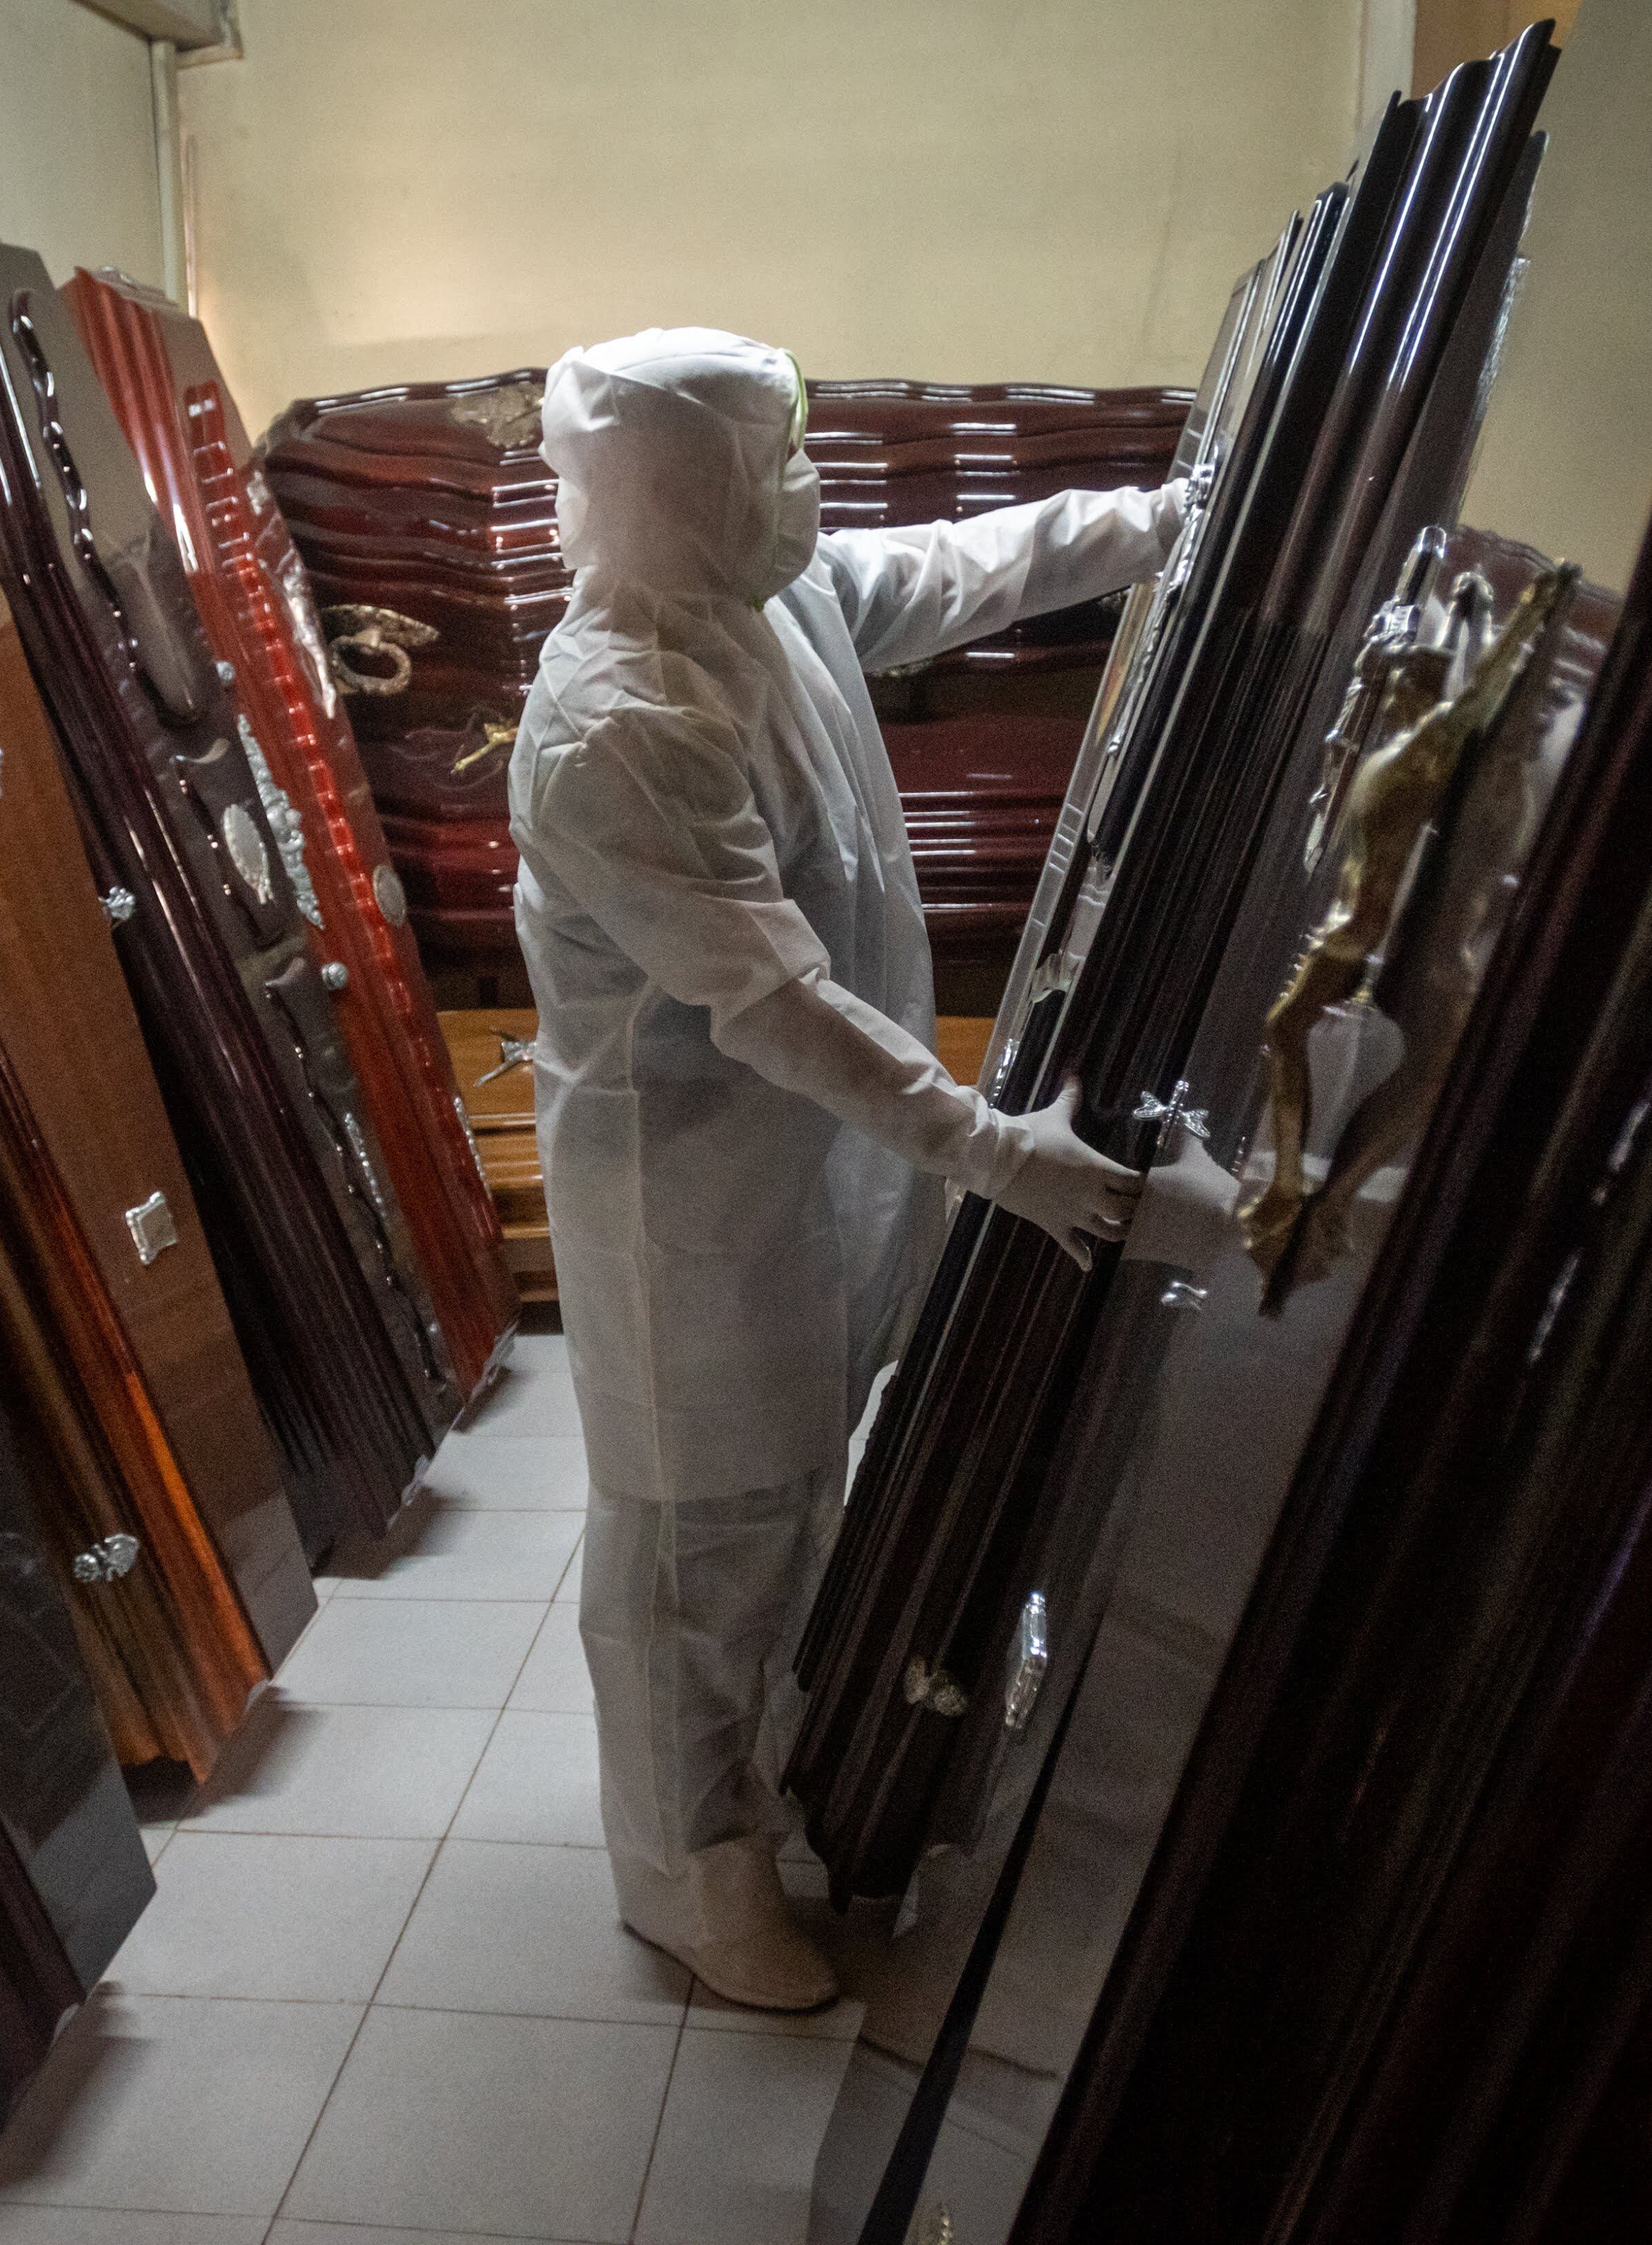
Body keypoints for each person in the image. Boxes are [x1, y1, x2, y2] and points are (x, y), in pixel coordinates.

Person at [509, 327, 1175, 2009]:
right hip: (692, 1208)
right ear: (682, 490)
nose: (814, 490)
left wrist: (1155, 520)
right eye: (776, 463)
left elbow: (945, 571)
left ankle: (761, 1789)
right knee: (691, 1551)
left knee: (796, 1496)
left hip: (807, 1179)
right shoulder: (621, 722)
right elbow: (772, 1000)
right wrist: (980, 1146)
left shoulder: (759, 607)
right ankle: (680, 1869)